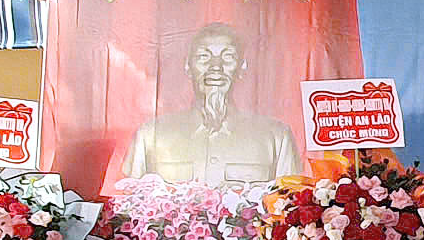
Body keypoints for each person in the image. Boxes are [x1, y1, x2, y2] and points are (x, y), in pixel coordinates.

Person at [122, 22, 300, 184]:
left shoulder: (276, 137)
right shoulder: (150, 135)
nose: (216, 66)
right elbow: (129, 202)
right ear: (188, 66)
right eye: (203, 56)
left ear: (242, 66)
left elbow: (289, 203)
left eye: (228, 56)